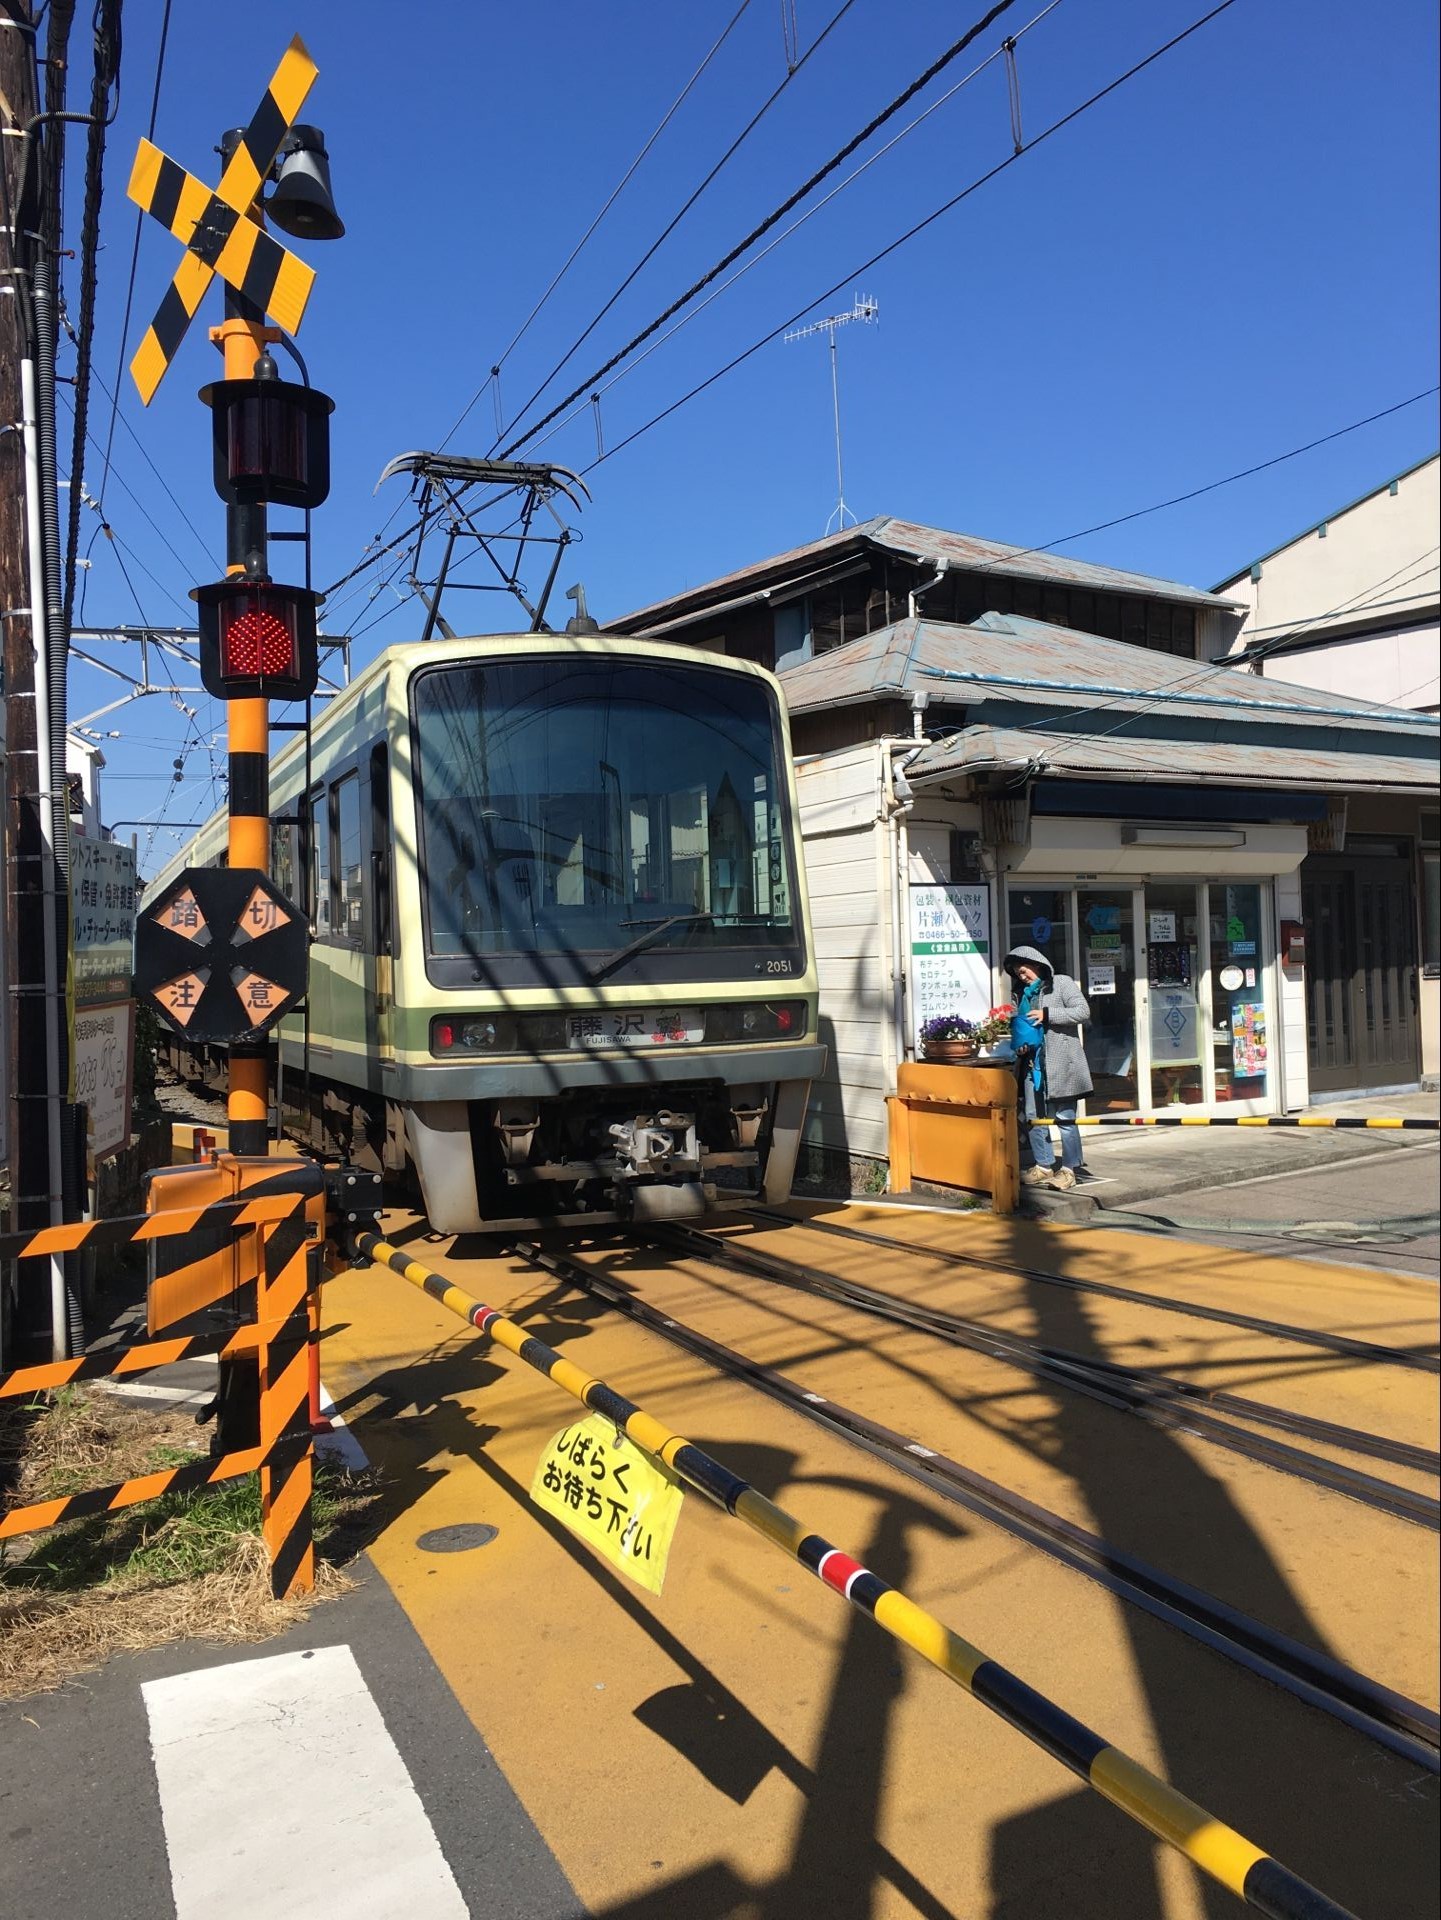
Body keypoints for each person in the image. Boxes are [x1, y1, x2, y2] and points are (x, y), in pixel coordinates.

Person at [1003, 943, 1092, 1192]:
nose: (1022, 977)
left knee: (1065, 1118)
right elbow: (1021, 1028)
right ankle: (1043, 1165)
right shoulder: (1021, 996)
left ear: (1037, 964)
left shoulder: (1061, 983)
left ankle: (1069, 1170)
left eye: (1024, 970)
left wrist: (1047, 1014)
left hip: (1063, 1063)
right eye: (1018, 974)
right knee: (1034, 1118)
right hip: (1033, 1064)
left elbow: (1083, 1011)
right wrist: (1020, 1045)